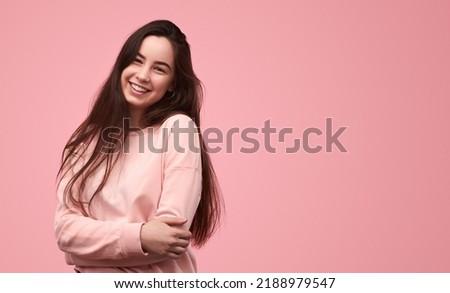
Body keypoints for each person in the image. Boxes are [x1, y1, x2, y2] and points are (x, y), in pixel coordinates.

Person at [54, 20, 223, 273]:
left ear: (173, 83)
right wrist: (142, 237)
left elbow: (167, 238)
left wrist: (91, 249)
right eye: (137, 60)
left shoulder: (178, 129)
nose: (143, 75)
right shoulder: (87, 137)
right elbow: (66, 233)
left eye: (159, 68)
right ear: (122, 64)